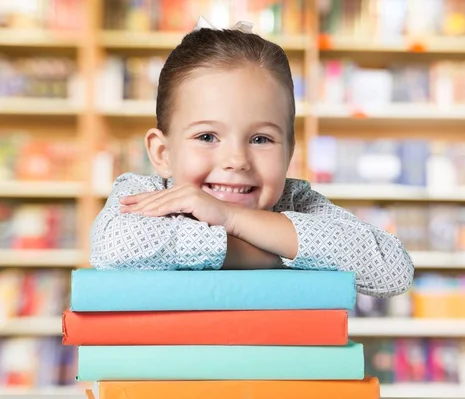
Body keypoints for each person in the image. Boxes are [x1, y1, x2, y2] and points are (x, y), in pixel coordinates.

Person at [89, 18, 414, 298]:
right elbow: (113, 247)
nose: (236, 160)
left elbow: (393, 270)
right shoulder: (148, 193)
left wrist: (232, 219)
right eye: (207, 137)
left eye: (261, 139)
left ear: (289, 152)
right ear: (163, 153)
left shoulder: (295, 202)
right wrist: (269, 251)